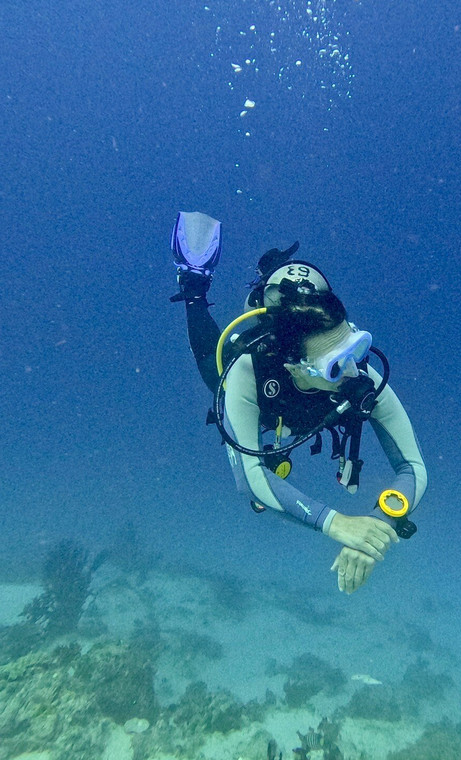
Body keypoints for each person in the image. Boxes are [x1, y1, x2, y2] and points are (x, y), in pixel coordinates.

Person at [170, 211, 428, 593]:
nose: (354, 371)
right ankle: (194, 284)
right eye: (335, 365)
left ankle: (276, 274)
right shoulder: (245, 373)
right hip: (261, 399)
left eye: (355, 348)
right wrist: (337, 523)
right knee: (212, 363)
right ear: (295, 366)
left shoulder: (361, 374)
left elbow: (413, 468)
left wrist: (379, 524)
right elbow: (252, 479)